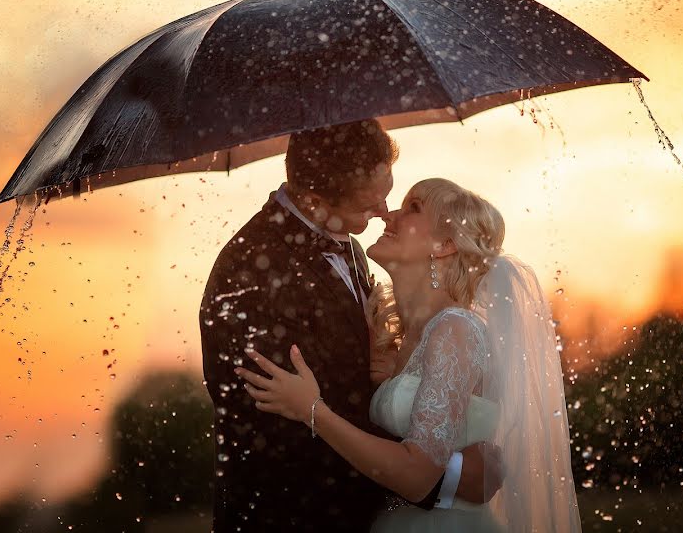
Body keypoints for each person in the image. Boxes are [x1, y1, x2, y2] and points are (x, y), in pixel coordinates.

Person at [236, 178, 582, 532]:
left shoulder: (455, 330)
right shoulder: (407, 339)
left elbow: (418, 475)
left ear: (445, 244)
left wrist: (312, 411)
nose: (388, 216)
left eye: (413, 207)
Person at [200, 122, 497, 533]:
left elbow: (355, 393)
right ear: (315, 198)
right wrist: (452, 476)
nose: (383, 212)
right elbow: (276, 429)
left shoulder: (354, 250)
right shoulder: (250, 270)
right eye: (368, 204)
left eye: (390, 196)